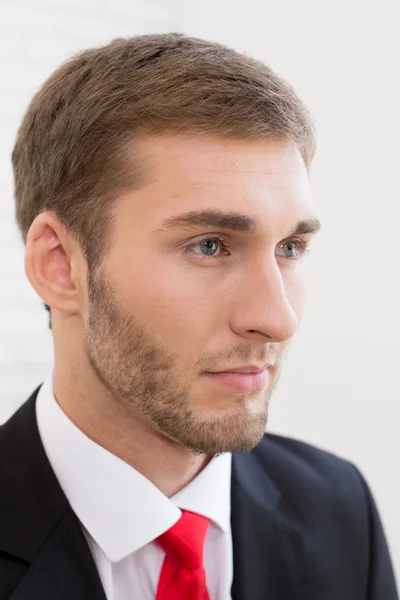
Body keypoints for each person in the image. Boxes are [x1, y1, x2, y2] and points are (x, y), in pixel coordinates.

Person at [0, 33, 397, 600]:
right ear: (60, 266)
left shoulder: (340, 510)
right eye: (210, 245)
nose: (278, 320)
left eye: (290, 248)